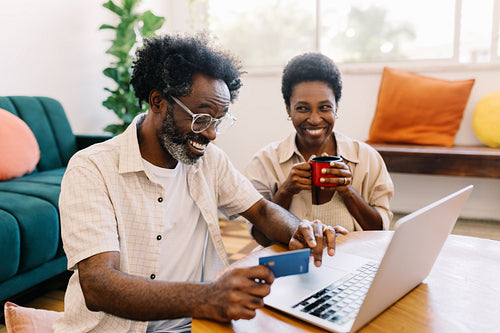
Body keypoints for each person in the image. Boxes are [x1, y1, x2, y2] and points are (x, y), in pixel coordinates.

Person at [53, 34, 347, 333]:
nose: (211, 135)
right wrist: (209, 297)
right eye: (201, 118)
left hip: (198, 324)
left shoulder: (210, 161)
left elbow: (262, 212)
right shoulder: (91, 168)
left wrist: (300, 230)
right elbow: (99, 285)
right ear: (158, 102)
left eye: (218, 121)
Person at [244, 52, 393, 245]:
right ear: (288, 109)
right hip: (291, 264)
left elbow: (379, 231)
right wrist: (286, 190)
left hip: (350, 263)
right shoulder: (265, 161)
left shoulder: (366, 158)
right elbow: (261, 238)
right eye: (302, 108)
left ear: (336, 107)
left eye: (324, 108)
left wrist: (348, 191)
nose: (314, 119)